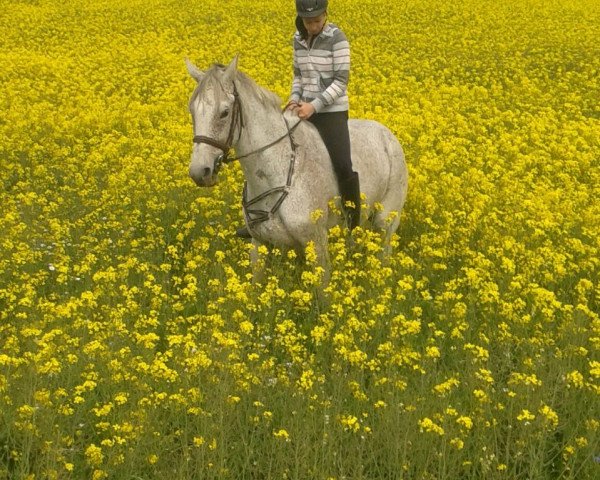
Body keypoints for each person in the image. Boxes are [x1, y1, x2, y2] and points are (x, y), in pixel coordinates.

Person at [236, 0, 360, 239]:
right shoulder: (298, 39)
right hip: (302, 107)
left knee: (342, 163)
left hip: (330, 111)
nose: (312, 26)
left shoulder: (338, 39)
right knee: (268, 151)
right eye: (307, 21)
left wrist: (314, 106)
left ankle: (352, 217)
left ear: (325, 15)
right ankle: (259, 219)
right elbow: (298, 75)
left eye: (316, 21)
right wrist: (294, 99)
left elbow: (341, 81)